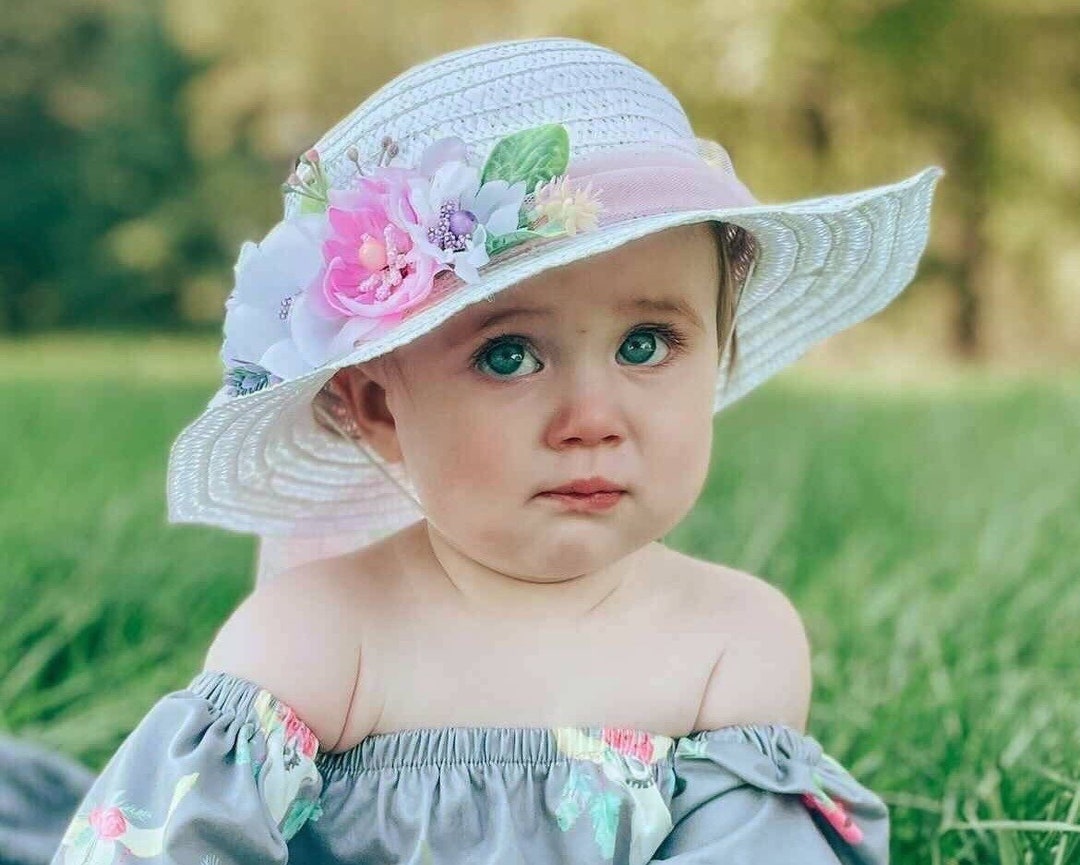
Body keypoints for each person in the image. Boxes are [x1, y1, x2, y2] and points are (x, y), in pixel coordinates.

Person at [18, 35, 943, 864]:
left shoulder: (732, 642)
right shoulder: (323, 634)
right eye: (509, 355)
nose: (592, 414)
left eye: (647, 344)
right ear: (377, 405)